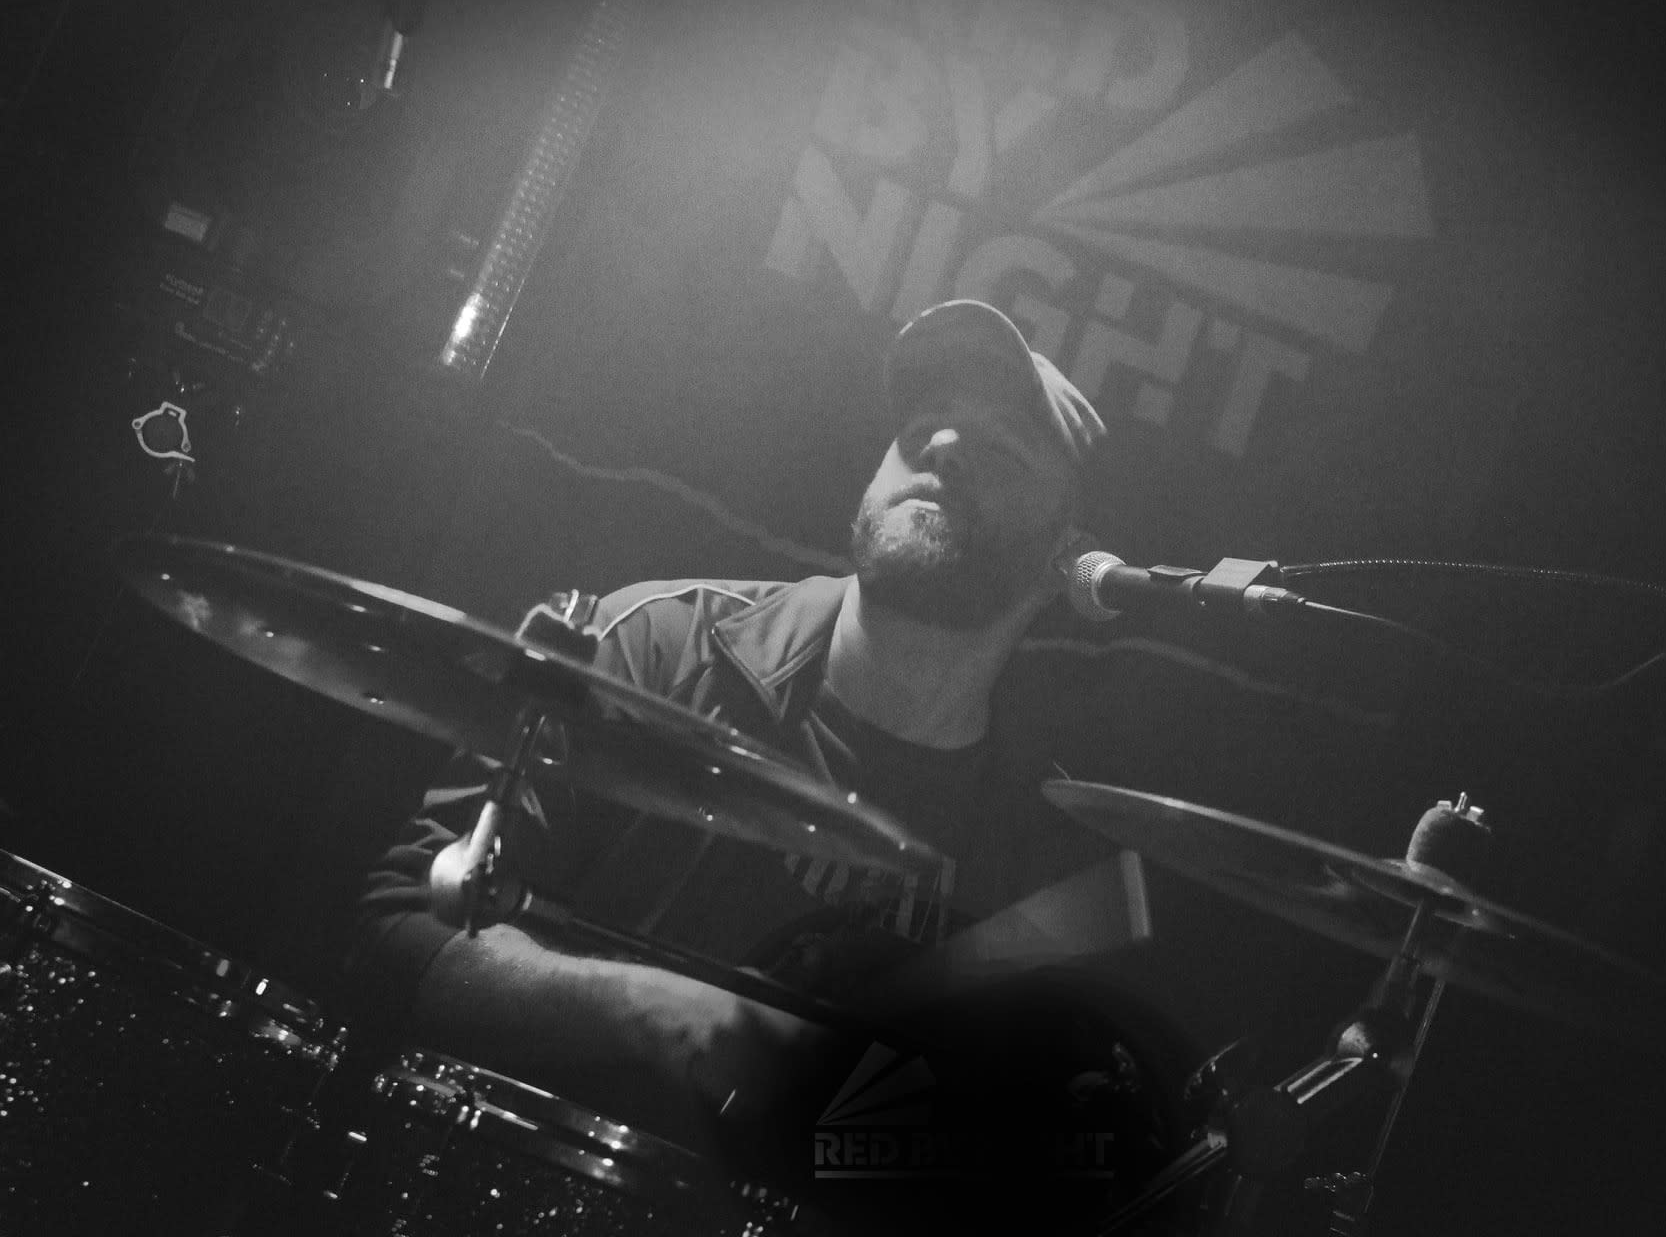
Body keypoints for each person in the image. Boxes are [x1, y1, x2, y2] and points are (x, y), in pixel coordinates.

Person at [347, 298, 1118, 1143]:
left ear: (1067, 559)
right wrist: (661, 1014)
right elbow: (402, 933)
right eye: (920, 428)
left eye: (1000, 448)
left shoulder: (1042, 842)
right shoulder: (656, 645)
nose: (941, 447)